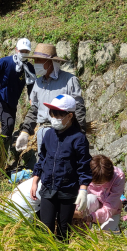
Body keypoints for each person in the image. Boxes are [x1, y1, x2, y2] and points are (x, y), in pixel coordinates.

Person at [30, 95, 92, 240]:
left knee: (64, 229)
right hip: (47, 189)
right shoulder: (49, 134)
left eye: (58, 114)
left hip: (67, 191)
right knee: (46, 227)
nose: (54, 117)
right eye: (52, 113)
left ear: (70, 116)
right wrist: (35, 181)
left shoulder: (79, 138)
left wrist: (83, 190)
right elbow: (42, 158)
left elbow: (84, 166)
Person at [16, 43, 86, 154]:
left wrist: (79, 134)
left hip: (64, 133)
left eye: (39, 60)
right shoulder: (38, 83)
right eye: (35, 60)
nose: (36, 64)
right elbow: (34, 109)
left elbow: (78, 108)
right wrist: (25, 131)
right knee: (44, 166)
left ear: (50, 62)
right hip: (42, 132)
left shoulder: (69, 80)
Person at [0, 38, 36, 149]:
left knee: (9, 128)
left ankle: (0, 154)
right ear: (16, 49)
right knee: (8, 123)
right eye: (22, 51)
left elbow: (31, 87)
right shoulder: (5, 61)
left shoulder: (29, 68)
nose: (24, 53)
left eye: (26, 51)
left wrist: (32, 100)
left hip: (12, 103)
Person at [76, 155, 125, 233]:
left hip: (111, 210)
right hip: (94, 202)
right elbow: (80, 195)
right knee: (89, 198)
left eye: (101, 183)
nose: (99, 185)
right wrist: (77, 212)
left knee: (108, 234)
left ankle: (114, 229)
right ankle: (84, 227)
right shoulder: (86, 173)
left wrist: (93, 217)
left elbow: (111, 206)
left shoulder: (118, 177)